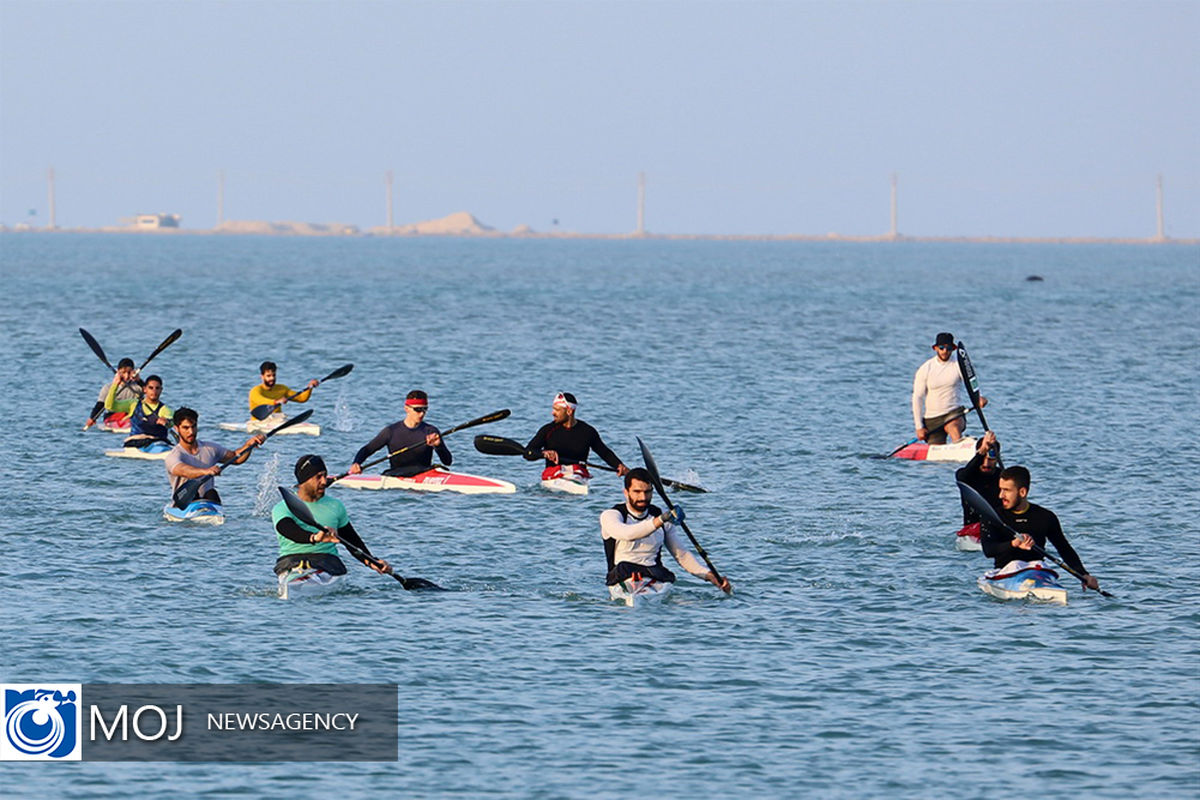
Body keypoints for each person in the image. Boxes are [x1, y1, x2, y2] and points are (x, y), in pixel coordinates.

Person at [600, 468, 731, 592]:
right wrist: (662, 519)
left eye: (647, 492)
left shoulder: (660, 515)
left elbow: (682, 555)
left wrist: (709, 576)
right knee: (624, 568)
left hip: (653, 575)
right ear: (626, 492)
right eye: (637, 492)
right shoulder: (611, 515)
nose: (643, 498)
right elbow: (627, 534)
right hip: (622, 576)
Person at [981, 465, 1102, 592]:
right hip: (1006, 573)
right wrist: (1014, 544)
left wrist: (1084, 574)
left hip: (1037, 571)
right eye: (1000, 489)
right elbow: (988, 550)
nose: (1001, 495)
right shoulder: (993, 517)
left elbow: (1064, 548)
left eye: (1007, 490)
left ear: (1022, 492)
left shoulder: (1045, 516)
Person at [271, 454, 390, 579]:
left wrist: (372, 561)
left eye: (325, 475)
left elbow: (352, 540)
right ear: (304, 480)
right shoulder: (283, 507)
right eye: (318, 477)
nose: (324, 481)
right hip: (291, 561)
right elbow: (287, 529)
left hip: (327, 561)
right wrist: (316, 537)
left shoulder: (335, 506)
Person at [164, 407, 264, 507]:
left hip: (208, 501)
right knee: (195, 495)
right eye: (186, 428)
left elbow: (236, 458)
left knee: (212, 493)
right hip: (184, 503)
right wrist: (206, 471)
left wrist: (249, 445)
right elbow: (183, 470)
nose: (191, 432)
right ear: (176, 429)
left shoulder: (210, 448)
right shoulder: (174, 455)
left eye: (194, 426)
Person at [524, 392, 628, 484]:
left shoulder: (587, 431)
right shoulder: (547, 430)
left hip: (578, 474)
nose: (553, 413)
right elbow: (528, 453)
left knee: (577, 472)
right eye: (553, 409)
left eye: (557, 410)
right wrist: (543, 453)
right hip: (554, 475)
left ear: (569, 411)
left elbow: (604, 452)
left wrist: (619, 466)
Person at [348, 390, 451, 477]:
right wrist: (356, 463)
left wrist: (439, 446)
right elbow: (367, 449)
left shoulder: (431, 431)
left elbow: (447, 462)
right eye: (418, 409)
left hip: (424, 474)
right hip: (396, 476)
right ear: (406, 409)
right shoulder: (391, 431)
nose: (422, 413)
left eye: (425, 409)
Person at [911, 332, 986, 444]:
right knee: (936, 452)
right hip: (932, 419)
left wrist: (978, 397)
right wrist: (919, 427)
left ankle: (960, 447)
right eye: (941, 348)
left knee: (953, 427)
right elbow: (918, 398)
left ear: (953, 349)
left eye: (948, 348)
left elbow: (971, 381)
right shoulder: (926, 368)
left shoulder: (959, 364)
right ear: (935, 348)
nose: (945, 351)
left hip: (953, 413)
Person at [83, 357, 143, 429]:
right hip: (113, 417)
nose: (126, 376)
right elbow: (100, 405)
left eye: (129, 372)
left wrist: (139, 380)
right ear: (118, 372)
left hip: (131, 416)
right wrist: (92, 418)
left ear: (134, 372)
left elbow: (149, 393)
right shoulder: (107, 388)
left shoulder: (138, 387)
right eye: (123, 372)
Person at [248, 360, 318, 416]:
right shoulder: (255, 391)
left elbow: (301, 398)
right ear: (262, 376)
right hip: (258, 422)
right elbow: (261, 401)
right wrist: (276, 402)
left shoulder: (281, 389)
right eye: (268, 376)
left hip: (277, 420)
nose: (272, 378)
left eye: (274, 375)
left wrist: (309, 387)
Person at [123, 374, 174, 448]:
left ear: (161, 390)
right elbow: (109, 406)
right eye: (151, 388)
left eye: (157, 388)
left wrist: (167, 422)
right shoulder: (133, 404)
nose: (154, 391)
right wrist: (115, 384)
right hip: (135, 442)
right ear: (145, 389)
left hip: (158, 442)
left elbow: (172, 421)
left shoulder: (165, 409)